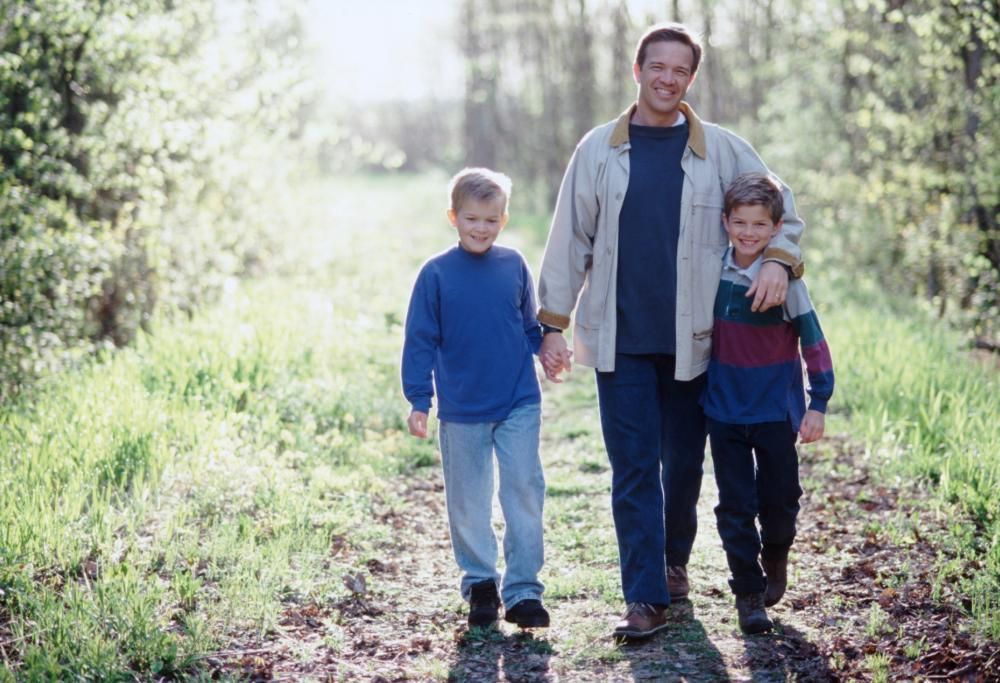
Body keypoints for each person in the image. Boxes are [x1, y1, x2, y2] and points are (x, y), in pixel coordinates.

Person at [536, 22, 805, 640]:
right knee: (633, 467)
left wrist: (774, 259)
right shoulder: (597, 150)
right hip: (619, 338)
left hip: (700, 343)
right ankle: (645, 595)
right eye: (657, 66)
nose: (667, 78)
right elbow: (567, 241)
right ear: (637, 71)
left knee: (682, 465)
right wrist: (552, 324)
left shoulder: (726, 150)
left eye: (680, 70)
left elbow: (785, 213)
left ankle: (674, 560)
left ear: (691, 79)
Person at [401, 167, 550, 630]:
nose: (481, 228)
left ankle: (524, 590)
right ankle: (481, 583)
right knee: (468, 498)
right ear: (453, 217)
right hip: (462, 407)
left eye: (491, 219)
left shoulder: (514, 265)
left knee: (524, 490)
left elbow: (528, 326)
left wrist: (548, 350)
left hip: (518, 400)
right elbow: (420, 339)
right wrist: (419, 398)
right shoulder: (436, 274)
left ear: (503, 220)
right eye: (472, 219)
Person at [703, 172, 834, 633]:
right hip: (723, 411)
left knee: (780, 500)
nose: (748, 233)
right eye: (739, 223)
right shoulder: (712, 273)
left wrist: (818, 402)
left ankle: (776, 554)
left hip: (775, 412)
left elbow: (814, 343)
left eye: (759, 225)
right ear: (725, 222)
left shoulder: (785, 282)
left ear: (776, 228)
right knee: (734, 505)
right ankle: (748, 593)